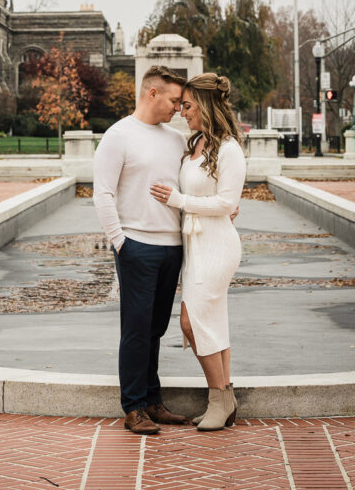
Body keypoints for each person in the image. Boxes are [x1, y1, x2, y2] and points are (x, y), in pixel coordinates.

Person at [93, 65, 189, 435]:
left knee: (156, 329)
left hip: (172, 248)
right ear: (152, 93)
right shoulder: (119, 136)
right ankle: (133, 407)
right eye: (174, 100)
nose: (179, 108)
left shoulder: (176, 140)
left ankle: (152, 401)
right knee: (135, 330)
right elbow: (102, 194)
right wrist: (121, 243)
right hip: (136, 246)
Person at [150, 72, 246, 431]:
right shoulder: (195, 144)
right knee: (212, 322)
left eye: (187, 106)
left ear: (205, 105)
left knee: (192, 322)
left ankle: (218, 398)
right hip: (194, 245)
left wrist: (180, 200)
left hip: (217, 245)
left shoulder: (230, 149)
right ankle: (225, 398)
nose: (181, 112)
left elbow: (227, 202)